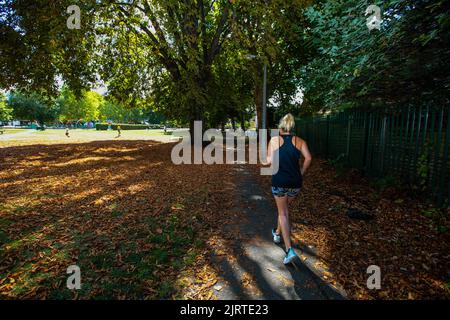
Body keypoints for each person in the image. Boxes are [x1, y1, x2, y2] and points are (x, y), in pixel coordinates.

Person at [265, 113, 312, 265]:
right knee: (283, 210)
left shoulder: (273, 140)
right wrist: (302, 172)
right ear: (292, 128)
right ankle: (277, 232)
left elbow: (268, 162)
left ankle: (289, 250)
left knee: (283, 213)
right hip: (295, 184)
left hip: (279, 182)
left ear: (280, 127)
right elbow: (309, 158)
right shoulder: (300, 141)